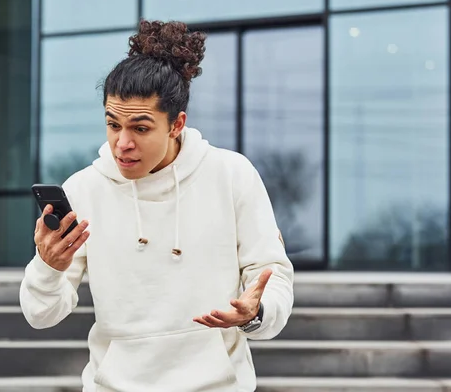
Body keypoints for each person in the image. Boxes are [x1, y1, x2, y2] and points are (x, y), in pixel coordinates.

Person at [20, 19, 294, 392]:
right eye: (113, 124)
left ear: (177, 124)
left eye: (141, 128)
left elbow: (271, 277)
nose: (123, 143)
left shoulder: (231, 174)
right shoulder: (84, 189)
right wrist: (47, 268)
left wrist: (256, 314)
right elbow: (41, 315)